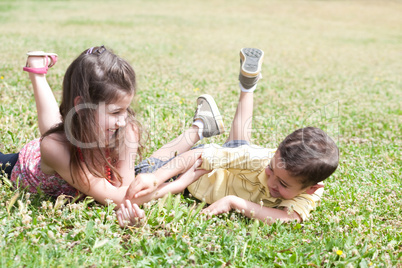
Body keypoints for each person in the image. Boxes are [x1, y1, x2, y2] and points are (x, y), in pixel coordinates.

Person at [121, 48, 339, 225]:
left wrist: (235, 202)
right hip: (197, 174)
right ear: (274, 155)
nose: (271, 180)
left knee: (238, 144)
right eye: (271, 169)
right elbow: (198, 156)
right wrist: (157, 179)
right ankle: (199, 127)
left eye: (282, 183)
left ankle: (243, 90)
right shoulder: (260, 159)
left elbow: (286, 218)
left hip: (231, 170)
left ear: (312, 188)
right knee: (143, 173)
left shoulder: (310, 192)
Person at [0, 46, 224, 211]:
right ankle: (36, 71)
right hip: (23, 165)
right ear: (82, 105)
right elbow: (118, 198)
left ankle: (200, 128)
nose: (123, 120)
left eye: (126, 110)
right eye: (115, 112)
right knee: (53, 131)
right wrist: (179, 184)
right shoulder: (55, 147)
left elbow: (126, 190)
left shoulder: (125, 130)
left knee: (143, 168)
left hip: (78, 132)